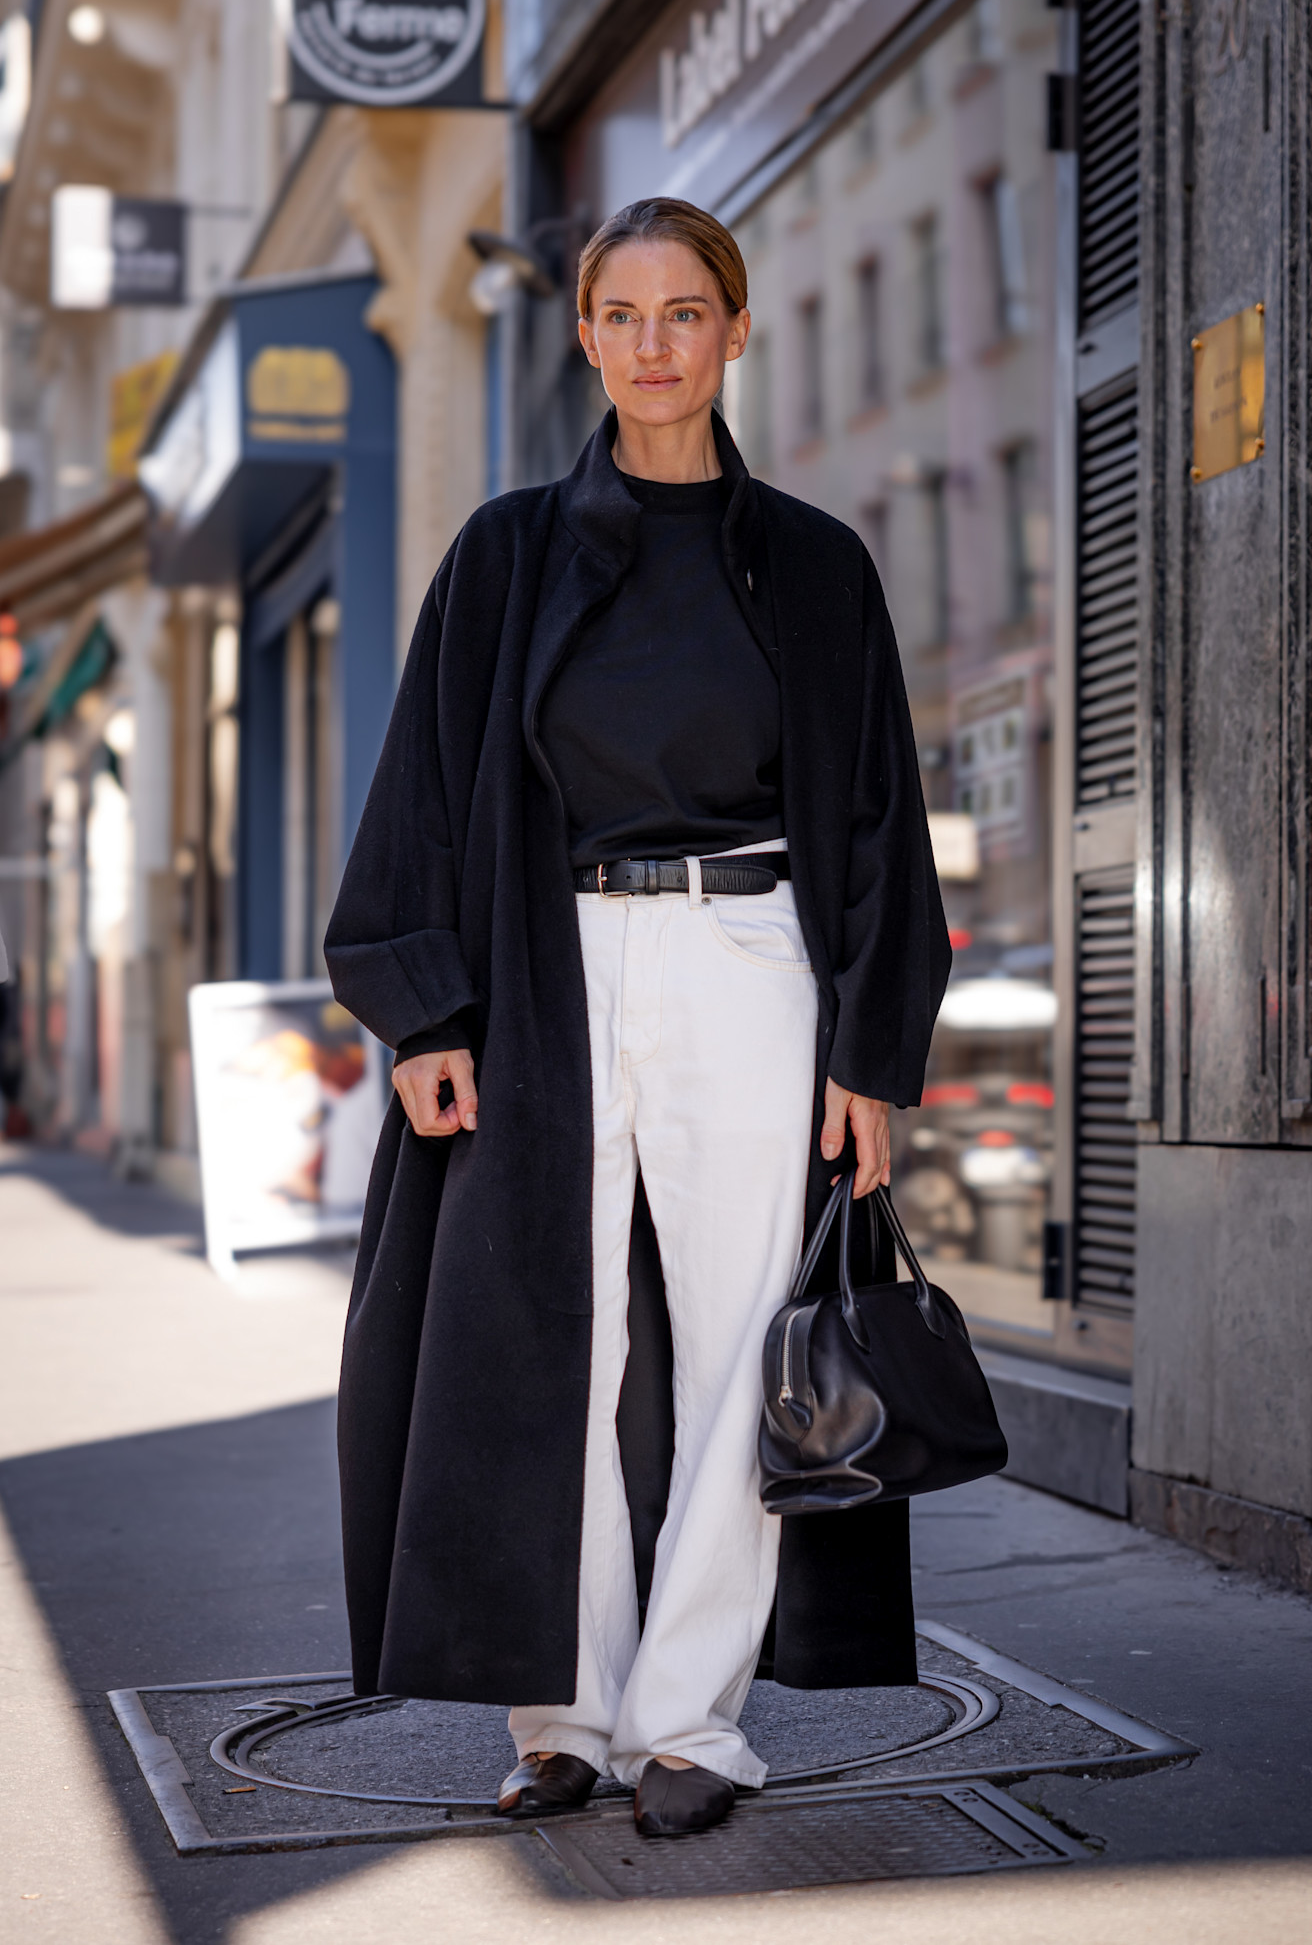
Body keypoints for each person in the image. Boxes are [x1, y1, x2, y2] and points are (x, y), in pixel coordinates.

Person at [324, 198, 950, 1839]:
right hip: (550, 975)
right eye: (624, 313)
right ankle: (566, 1719)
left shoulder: (816, 563)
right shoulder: (507, 553)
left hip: (753, 960)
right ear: (586, 335)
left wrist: (871, 1055)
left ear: (736, 332)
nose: (656, 343)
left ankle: (691, 1721)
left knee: (750, 1338)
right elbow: (432, 793)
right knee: (556, 1341)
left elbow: (880, 817)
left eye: (689, 313)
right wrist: (423, 1009)